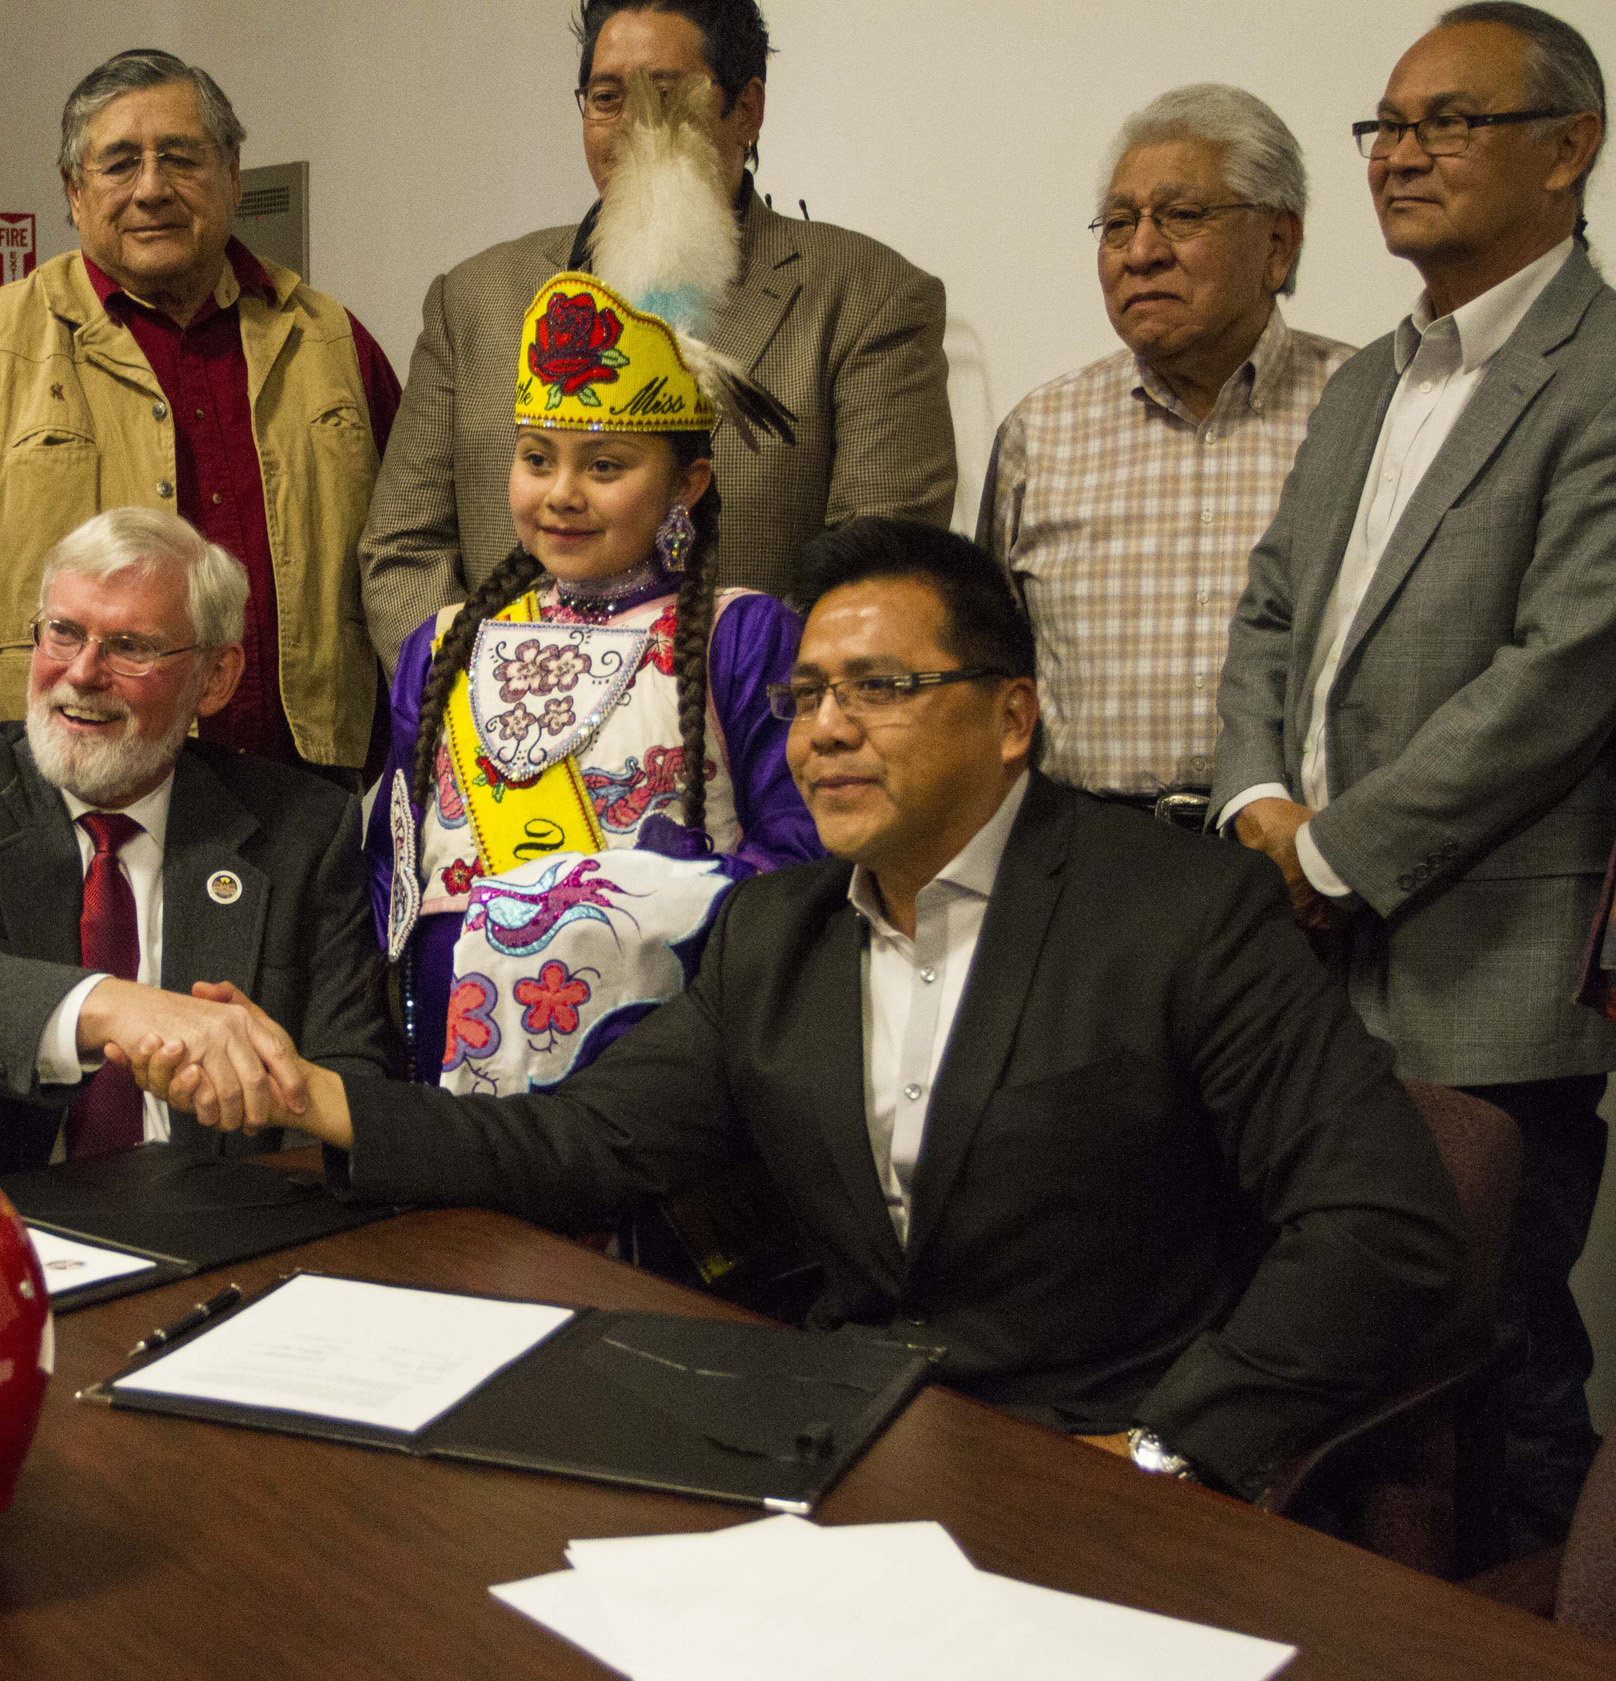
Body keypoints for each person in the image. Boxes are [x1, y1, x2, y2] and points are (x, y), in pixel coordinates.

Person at [139, 519, 1466, 1501]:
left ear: (1012, 718)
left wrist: (1170, 1448)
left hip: (1097, 1452)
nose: (824, 731)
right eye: (808, 696)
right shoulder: (780, 931)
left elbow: (1379, 1222)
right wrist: (320, 1100)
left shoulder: (1179, 912)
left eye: (879, 689)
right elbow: (586, 1143)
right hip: (856, 1435)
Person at [1212, 3, 1610, 1550]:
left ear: (1570, 148)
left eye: (1452, 121)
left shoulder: (1603, 371)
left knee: (1500, 1368)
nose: (1403, 155)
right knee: (1320, 1352)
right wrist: (1256, 812)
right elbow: (1267, 618)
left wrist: (1326, 857)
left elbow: (1564, 672)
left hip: (1484, 962)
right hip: (1297, 952)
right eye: (1388, 127)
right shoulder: (1368, 379)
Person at [370, 72, 818, 1106]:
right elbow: (392, 877)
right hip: (452, 1065)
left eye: (605, 466)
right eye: (536, 458)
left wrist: (642, 894)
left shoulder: (747, 639)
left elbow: (802, 865)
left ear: (686, 482)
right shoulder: (438, 645)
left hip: (660, 1074)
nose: (561, 495)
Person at [0, 48, 402, 779]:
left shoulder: (334, 345)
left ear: (232, 174)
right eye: (118, 164)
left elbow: (407, 564)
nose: (151, 189)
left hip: (306, 805)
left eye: (181, 158)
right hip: (63, 807)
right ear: (73, 192)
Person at [358, 0, 956, 665]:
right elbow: (403, 548)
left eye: (667, 98)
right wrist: (485, 711)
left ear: (747, 110)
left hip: (745, 749)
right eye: (608, 98)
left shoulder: (868, 296)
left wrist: (728, 725)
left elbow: (882, 576)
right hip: (499, 749)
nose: (635, 128)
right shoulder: (474, 300)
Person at [0, 508, 392, 1174]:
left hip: (220, 1226)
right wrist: (112, 1007)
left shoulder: (304, 830)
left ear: (214, 677)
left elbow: (356, 1085)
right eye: (63, 632)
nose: (82, 671)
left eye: (131, 647)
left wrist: (271, 1086)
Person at [981, 85, 1353, 824]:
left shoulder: (1366, 405)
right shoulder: (1041, 430)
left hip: (1300, 856)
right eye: (1118, 224)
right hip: (1089, 856)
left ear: (1278, 244)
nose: (1142, 252)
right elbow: (993, 667)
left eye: (1182, 216)